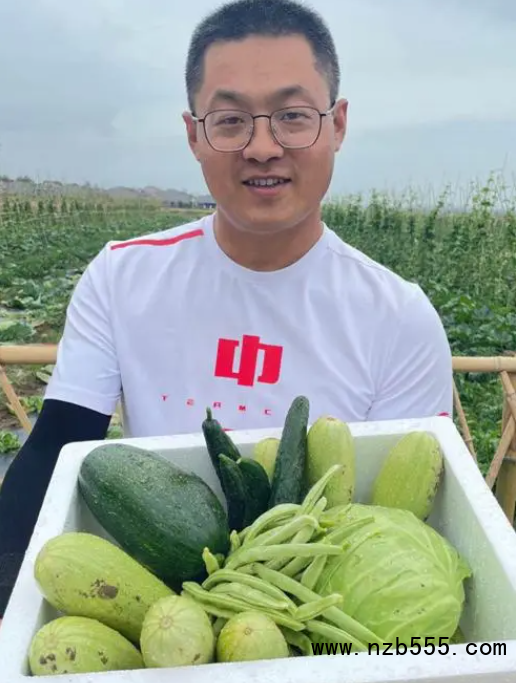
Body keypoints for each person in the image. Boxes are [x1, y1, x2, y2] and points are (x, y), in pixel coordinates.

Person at [0, 0, 453, 623]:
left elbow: (405, 515)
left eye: (293, 116)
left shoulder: (400, 318)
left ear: (338, 125)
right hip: (164, 612)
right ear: (194, 134)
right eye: (231, 120)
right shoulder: (121, 277)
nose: (262, 147)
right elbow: (57, 444)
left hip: (320, 615)